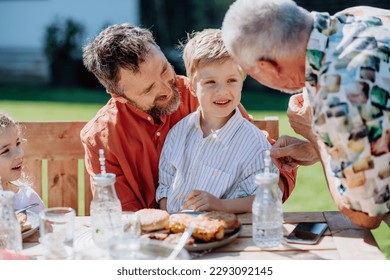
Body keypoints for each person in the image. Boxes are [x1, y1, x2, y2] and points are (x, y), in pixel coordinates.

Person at [81, 23, 297, 211]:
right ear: (120, 97)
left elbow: (272, 172)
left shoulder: (203, 93)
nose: (166, 87)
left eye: (165, 69)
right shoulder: (102, 138)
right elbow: (122, 216)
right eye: (149, 90)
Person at [222, 0, 390, 228]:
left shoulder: (339, 92)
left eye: (250, 73)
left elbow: (364, 215)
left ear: (267, 66)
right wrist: (320, 149)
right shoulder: (359, 15)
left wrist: (315, 134)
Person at [156, 29, 280, 213]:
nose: (222, 91)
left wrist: (221, 205)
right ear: (191, 87)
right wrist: (171, 221)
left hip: (225, 233)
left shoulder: (253, 143)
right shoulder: (178, 133)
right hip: (175, 232)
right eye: (210, 82)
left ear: (242, 81)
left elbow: (268, 198)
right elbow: (165, 187)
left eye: (231, 80)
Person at [0, 112, 44, 214]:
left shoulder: (29, 199)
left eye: (18, 143)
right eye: (6, 151)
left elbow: (45, 227)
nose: (19, 154)